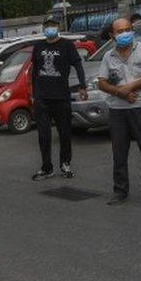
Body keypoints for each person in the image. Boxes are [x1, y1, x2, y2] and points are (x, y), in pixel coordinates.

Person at [96, 18, 141, 205]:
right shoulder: (108, 56)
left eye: (128, 29)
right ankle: (120, 191)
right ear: (112, 35)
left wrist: (131, 86)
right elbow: (102, 83)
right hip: (118, 110)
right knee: (119, 152)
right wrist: (120, 92)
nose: (125, 33)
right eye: (120, 31)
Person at [30, 17, 87, 180]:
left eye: (52, 26)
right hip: (42, 98)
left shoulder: (67, 45)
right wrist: (33, 93)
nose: (50, 29)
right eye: (47, 26)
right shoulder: (38, 46)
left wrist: (82, 85)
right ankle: (46, 167)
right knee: (43, 135)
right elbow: (35, 71)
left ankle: (65, 163)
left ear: (58, 27)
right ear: (43, 29)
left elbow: (77, 64)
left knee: (64, 133)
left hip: (61, 96)